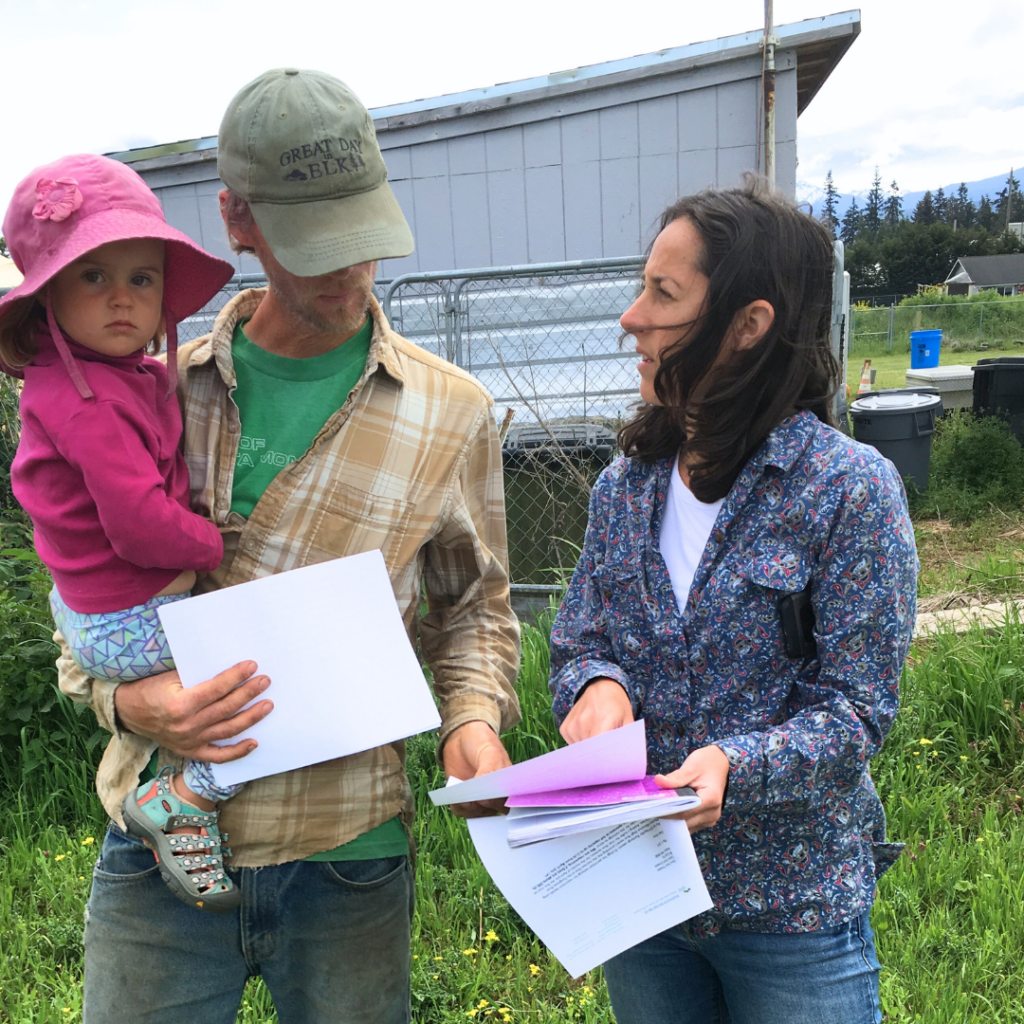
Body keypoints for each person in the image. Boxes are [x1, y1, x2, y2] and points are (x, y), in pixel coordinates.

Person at [54, 69, 521, 1024]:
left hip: (349, 858)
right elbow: (85, 593)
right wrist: (124, 696)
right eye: (316, 250)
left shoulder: (451, 412)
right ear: (238, 221)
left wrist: (472, 722)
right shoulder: (151, 394)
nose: (349, 276)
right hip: (160, 847)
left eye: (365, 244)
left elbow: (472, 607)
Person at [549, 182, 916, 1024]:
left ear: (747, 328)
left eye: (663, 295)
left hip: (794, 909)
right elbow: (579, 640)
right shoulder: (624, 488)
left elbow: (857, 711)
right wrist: (595, 687)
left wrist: (736, 767)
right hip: (644, 894)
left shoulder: (848, 492)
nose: (630, 318)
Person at [0, 153, 251, 912]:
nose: (122, 300)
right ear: (46, 299)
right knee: (268, 680)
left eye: (142, 279)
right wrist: (213, 544)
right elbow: (141, 526)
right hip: (129, 615)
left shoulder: (101, 377)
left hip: (94, 606)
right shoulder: (90, 403)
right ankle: (185, 797)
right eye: (92, 277)